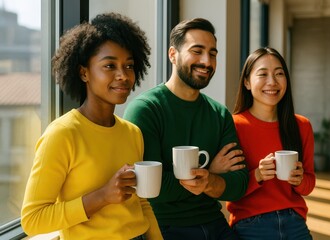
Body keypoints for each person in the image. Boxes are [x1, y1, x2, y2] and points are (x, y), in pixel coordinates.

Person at [21, 12, 163, 240]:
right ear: (84, 72)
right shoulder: (62, 134)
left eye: (129, 66)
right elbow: (33, 220)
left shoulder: (132, 133)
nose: (123, 76)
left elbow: (141, 203)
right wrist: (103, 196)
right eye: (109, 66)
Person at [123, 18, 249, 240]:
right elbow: (153, 187)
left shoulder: (219, 114)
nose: (207, 61)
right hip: (165, 227)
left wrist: (207, 179)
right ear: (173, 54)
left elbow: (239, 183)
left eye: (212, 53)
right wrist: (212, 172)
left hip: (214, 223)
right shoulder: (145, 110)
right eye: (197, 51)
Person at [226, 47, 315, 239]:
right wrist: (256, 175)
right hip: (250, 223)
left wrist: (299, 181)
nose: (272, 82)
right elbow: (227, 188)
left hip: (295, 221)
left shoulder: (302, 125)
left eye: (279, 74)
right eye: (263, 74)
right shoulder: (233, 126)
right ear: (247, 82)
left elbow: (309, 184)